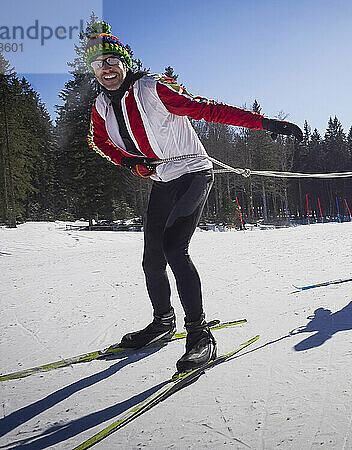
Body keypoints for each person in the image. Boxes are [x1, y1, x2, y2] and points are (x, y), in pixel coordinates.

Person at [84, 22, 302, 373]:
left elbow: (207, 109)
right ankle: (163, 321)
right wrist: (132, 163)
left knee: (174, 248)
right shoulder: (101, 106)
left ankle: (200, 336)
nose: (105, 70)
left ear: (123, 61)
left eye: (111, 61)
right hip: (163, 180)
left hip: (194, 173)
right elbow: (101, 142)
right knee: (151, 259)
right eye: (97, 65)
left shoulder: (152, 88)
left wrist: (264, 124)